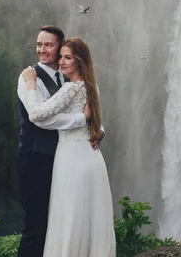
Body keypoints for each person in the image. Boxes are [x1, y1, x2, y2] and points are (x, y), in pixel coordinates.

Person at [22, 36, 116, 257]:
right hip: (91, 157)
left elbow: (35, 114)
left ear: (80, 62)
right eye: (61, 57)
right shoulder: (92, 87)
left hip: (72, 157)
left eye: (68, 58)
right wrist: (100, 130)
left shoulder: (70, 89)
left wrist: (30, 84)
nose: (62, 62)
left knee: (70, 215)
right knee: (88, 214)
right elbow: (96, 121)